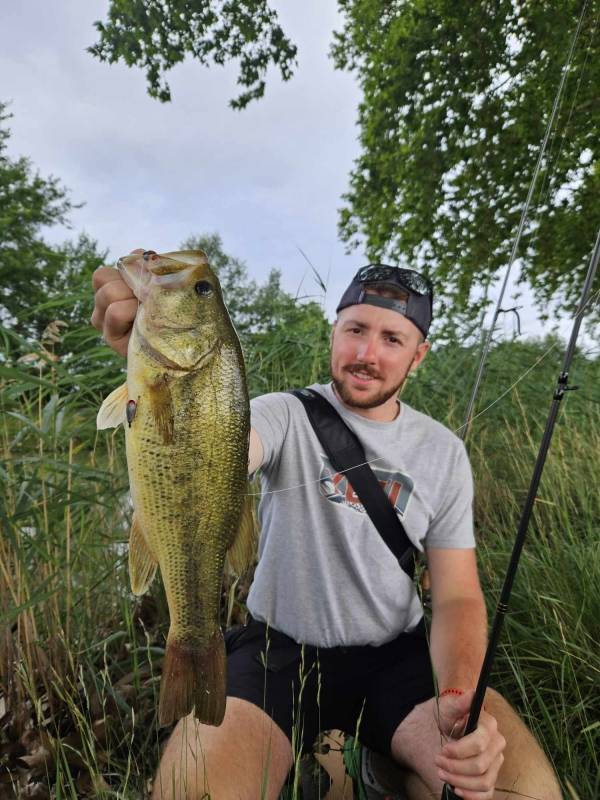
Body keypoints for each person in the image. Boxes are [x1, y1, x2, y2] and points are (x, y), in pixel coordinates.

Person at [92, 254, 562, 800]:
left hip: (396, 660)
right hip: (277, 653)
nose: (367, 353)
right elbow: (223, 448)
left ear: (419, 355)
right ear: (334, 331)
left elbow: (457, 597)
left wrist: (457, 696)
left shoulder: (444, 452)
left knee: (517, 791)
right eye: (356, 329)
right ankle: (339, 759)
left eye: (392, 338)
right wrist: (161, 378)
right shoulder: (280, 414)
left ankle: (381, 765)